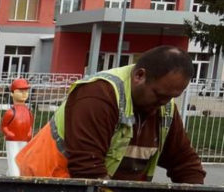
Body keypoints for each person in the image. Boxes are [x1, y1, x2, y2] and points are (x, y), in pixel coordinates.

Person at [17, 46, 205, 184]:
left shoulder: (164, 106)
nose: (164, 102)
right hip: (50, 185)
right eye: (158, 94)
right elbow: (87, 168)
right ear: (140, 75)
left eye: (172, 97)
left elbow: (184, 162)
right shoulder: (98, 95)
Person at [1, 78, 33, 176]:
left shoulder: (28, 112)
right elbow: (4, 126)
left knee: (22, 158)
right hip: (13, 140)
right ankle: (14, 175)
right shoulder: (10, 112)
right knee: (13, 157)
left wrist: (29, 133)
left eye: (26, 91)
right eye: (20, 91)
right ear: (12, 93)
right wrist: (8, 133)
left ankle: (11, 174)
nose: (24, 94)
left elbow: (30, 124)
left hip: (24, 139)